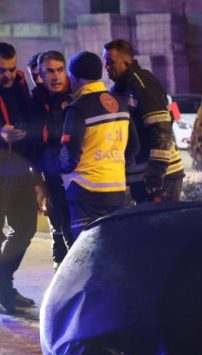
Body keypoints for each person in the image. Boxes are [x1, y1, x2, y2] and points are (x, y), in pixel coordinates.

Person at [58, 51, 138, 241]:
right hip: (116, 190)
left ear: (74, 77)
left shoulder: (78, 108)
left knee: (88, 252)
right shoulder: (120, 103)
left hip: (86, 193)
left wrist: (58, 170)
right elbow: (134, 146)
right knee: (113, 250)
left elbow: (70, 155)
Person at [103, 39, 183, 203]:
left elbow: (160, 129)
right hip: (141, 176)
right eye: (105, 62)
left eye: (110, 62)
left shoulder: (142, 82)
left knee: (163, 227)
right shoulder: (118, 90)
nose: (106, 67)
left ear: (126, 62)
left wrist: (156, 174)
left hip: (161, 177)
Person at [0, 42, 37, 314]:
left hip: (20, 168)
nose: (8, 75)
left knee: (25, 228)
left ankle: (4, 285)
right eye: (2, 71)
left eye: (12, 69)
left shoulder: (22, 82)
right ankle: (4, 292)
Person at [29, 50, 72, 268]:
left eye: (59, 70)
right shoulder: (36, 101)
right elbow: (33, 145)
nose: (55, 76)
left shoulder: (77, 97)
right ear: (41, 75)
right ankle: (60, 271)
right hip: (52, 177)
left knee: (74, 231)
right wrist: (38, 181)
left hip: (78, 176)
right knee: (59, 225)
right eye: (49, 71)